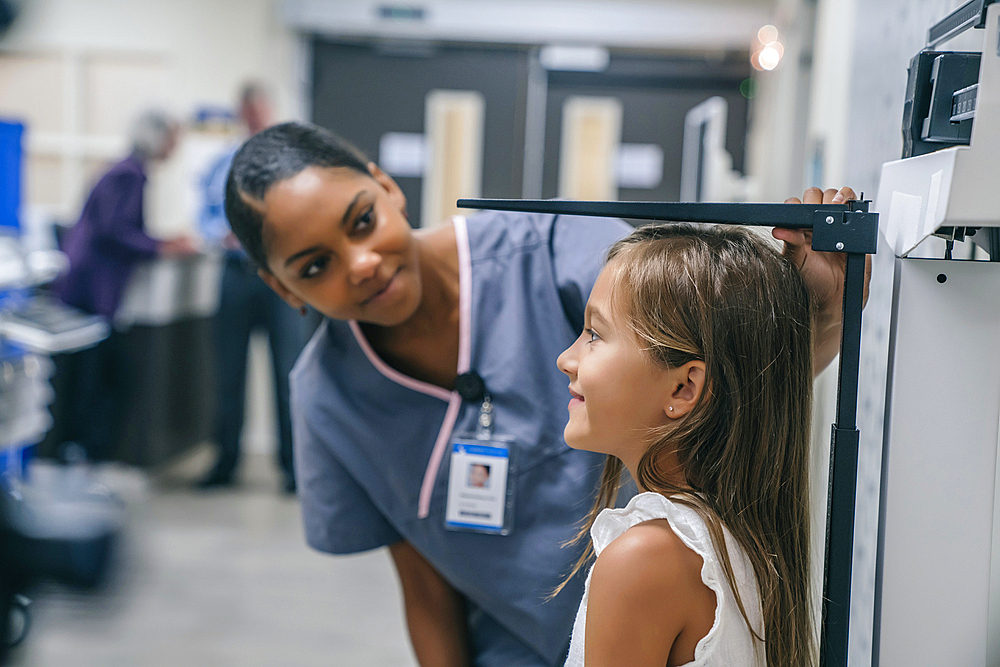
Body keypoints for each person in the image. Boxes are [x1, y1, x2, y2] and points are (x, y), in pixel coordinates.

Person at [223, 121, 858, 666]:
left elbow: (722, 379)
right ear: (281, 290)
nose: (358, 263)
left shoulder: (552, 246)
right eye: (313, 267)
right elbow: (423, 586)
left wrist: (823, 316)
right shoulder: (327, 400)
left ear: (387, 187)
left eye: (361, 220)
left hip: (668, 623)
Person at [557, 224, 814, 666]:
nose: (567, 359)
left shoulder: (645, 560)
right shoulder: (739, 534)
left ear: (683, 389)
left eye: (595, 334)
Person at [51, 109, 197, 462]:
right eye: (173, 137)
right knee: (95, 378)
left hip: (89, 290)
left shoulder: (126, 171)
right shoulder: (130, 175)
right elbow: (114, 231)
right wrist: (162, 246)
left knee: (93, 376)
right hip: (91, 291)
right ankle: (81, 454)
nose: (176, 146)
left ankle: (80, 452)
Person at [197, 83, 313, 492]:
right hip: (234, 275)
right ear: (240, 114)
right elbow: (205, 217)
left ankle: (293, 470)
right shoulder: (219, 165)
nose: (254, 118)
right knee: (228, 373)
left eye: (259, 111)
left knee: (287, 372)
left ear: (270, 111)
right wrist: (220, 233)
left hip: (279, 278)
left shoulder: (293, 165)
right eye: (247, 112)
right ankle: (224, 463)